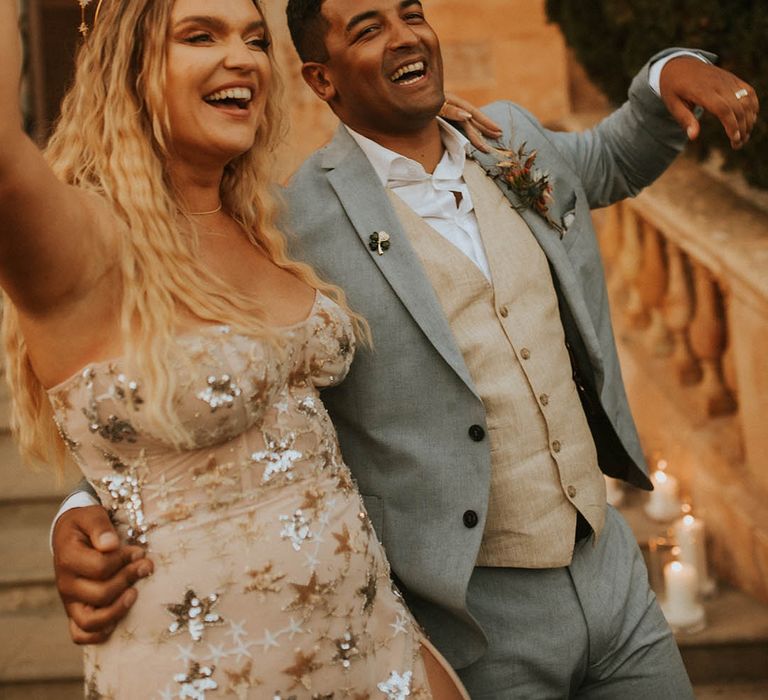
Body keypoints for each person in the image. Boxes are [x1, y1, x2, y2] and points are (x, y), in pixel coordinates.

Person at [50, 0, 760, 697]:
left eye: (412, 14)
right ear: (322, 80)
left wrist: (670, 71)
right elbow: (219, 386)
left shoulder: (506, 138)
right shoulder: (291, 226)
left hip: (614, 576)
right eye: (368, 28)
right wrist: (86, 504)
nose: (403, 37)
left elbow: (610, 158)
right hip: (470, 618)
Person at [1, 0, 475, 696]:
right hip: (204, 668)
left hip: (377, 651)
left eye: (255, 39)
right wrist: (78, 512)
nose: (245, 57)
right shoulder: (84, 242)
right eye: (201, 36)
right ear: (126, 67)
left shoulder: (267, 225)